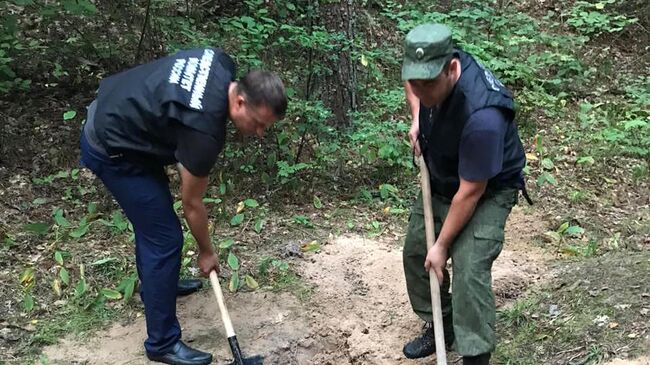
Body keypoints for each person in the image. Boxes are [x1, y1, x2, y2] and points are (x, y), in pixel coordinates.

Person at [79, 47, 287, 365]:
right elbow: (192, 203)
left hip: (125, 121)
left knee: (156, 227)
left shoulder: (219, 62)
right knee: (163, 238)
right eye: (258, 123)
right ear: (241, 101)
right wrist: (206, 252)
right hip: (111, 144)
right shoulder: (204, 132)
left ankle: (158, 286)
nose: (259, 133)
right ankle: (162, 343)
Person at [400, 23, 529, 365]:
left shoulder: (483, 116)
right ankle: (441, 324)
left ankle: (474, 354)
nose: (421, 92)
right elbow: (414, 86)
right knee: (416, 254)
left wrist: (442, 246)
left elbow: (471, 193)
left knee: (469, 267)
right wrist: (417, 119)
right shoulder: (426, 68)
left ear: (452, 69)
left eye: (429, 86)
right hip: (444, 173)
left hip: (487, 189)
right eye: (417, 83)